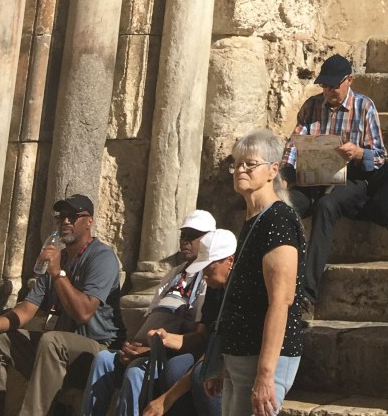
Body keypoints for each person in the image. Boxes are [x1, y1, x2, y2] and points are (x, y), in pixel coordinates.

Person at [0, 193, 125, 416]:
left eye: (73, 216)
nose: (66, 221)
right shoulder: (58, 259)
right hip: (56, 351)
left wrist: (58, 273)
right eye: (61, 217)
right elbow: (26, 310)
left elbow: (83, 313)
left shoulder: (102, 258)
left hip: (98, 351)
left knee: (52, 341)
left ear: (89, 221)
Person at [205, 130, 305, 416]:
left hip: (261, 358)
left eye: (250, 164)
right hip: (239, 354)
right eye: (237, 164)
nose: (241, 170)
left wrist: (265, 374)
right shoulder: (254, 219)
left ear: (273, 170)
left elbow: (281, 300)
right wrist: (222, 361)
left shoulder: (279, 220)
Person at [81, 210, 219, 416]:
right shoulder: (173, 275)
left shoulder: (207, 278)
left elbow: (199, 337)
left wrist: (151, 349)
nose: (185, 241)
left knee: (136, 371)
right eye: (183, 235)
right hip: (145, 347)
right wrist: (131, 345)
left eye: (193, 236)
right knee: (103, 359)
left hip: (169, 352)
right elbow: (150, 316)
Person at [282, 53, 386, 314]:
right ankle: (276, 283)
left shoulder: (365, 107)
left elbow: (380, 156)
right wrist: (285, 175)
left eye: (334, 86)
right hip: (313, 177)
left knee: (326, 207)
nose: (329, 92)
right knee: (284, 207)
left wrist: (359, 153)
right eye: (325, 86)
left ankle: (306, 293)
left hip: (351, 178)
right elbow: (294, 144)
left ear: (349, 80)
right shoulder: (312, 106)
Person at [141, 231, 237, 416]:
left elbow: (219, 348)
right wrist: (167, 338)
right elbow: (204, 337)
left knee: (202, 374)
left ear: (230, 261)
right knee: (174, 368)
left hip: (230, 355)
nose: (204, 275)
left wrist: (166, 399)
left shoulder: (239, 292)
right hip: (211, 352)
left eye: (209, 268)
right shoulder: (215, 288)